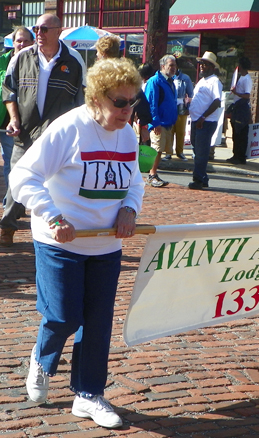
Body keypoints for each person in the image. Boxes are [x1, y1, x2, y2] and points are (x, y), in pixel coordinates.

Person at [9, 57, 144, 428]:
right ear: (97, 98)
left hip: (105, 245)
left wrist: (130, 209)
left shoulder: (128, 134)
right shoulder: (69, 129)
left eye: (133, 101)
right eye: (120, 102)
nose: (127, 110)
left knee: (98, 323)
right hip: (59, 241)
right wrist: (53, 215)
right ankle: (42, 358)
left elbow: (134, 181)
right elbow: (23, 176)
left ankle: (88, 394)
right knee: (64, 314)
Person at [0, 14, 86, 247]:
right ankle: (7, 228)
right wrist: (14, 119)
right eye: (36, 28)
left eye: (45, 29)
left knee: (58, 184)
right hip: (24, 133)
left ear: (59, 31)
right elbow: (9, 91)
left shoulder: (74, 60)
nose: (39, 33)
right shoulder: (21, 58)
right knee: (17, 179)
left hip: (57, 137)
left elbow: (82, 99)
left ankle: (57, 231)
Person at [0, 26, 34, 207]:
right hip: (1, 116)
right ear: (13, 43)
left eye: (25, 40)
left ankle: (11, 202)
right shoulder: (2, 61)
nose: (21, 44)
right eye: (18, 40)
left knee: (11, 163)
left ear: (32, 42)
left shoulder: (35, 63)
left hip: (15, 123)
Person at [188, 51, 222, 190]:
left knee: (201, 152)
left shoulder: (215, 81)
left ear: (212, 67)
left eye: (206, 64)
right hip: (196, 120)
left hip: (206, 122)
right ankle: (203, 177)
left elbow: (216, 102)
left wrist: (203, 117)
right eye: (201, 64)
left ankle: (198, 180)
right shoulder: (202, 81)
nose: (202, 66)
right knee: (196, 150)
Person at [143, 55, 177, 187]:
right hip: (159, 123)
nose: (174, 68)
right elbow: (151, 103)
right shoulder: (155, 81)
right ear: (163, 66)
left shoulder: (170, 81)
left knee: (161, 149)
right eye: (171, 65)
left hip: (167, 122)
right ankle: (152, 175)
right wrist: (155, 122)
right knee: (156, 149)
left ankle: (153, 173)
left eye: (175, 65)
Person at [226, 57, 253, 165]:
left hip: (242, 107)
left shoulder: (247, 79)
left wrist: (236, 93)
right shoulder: (241, 77)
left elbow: (247, 95)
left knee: (241, 132)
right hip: (237, 106)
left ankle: (241, 156)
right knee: (236, 132)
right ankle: (235, 154)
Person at [170, 57, 194, 161]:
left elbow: (191, 94)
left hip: (181, 107)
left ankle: (180, 152)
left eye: (175, 65)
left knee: (180, 131)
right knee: (169, 130)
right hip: (170, 107)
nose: (173, 68)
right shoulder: (167, 77)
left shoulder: (186, 78)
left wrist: (188, 106)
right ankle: (168, 152)